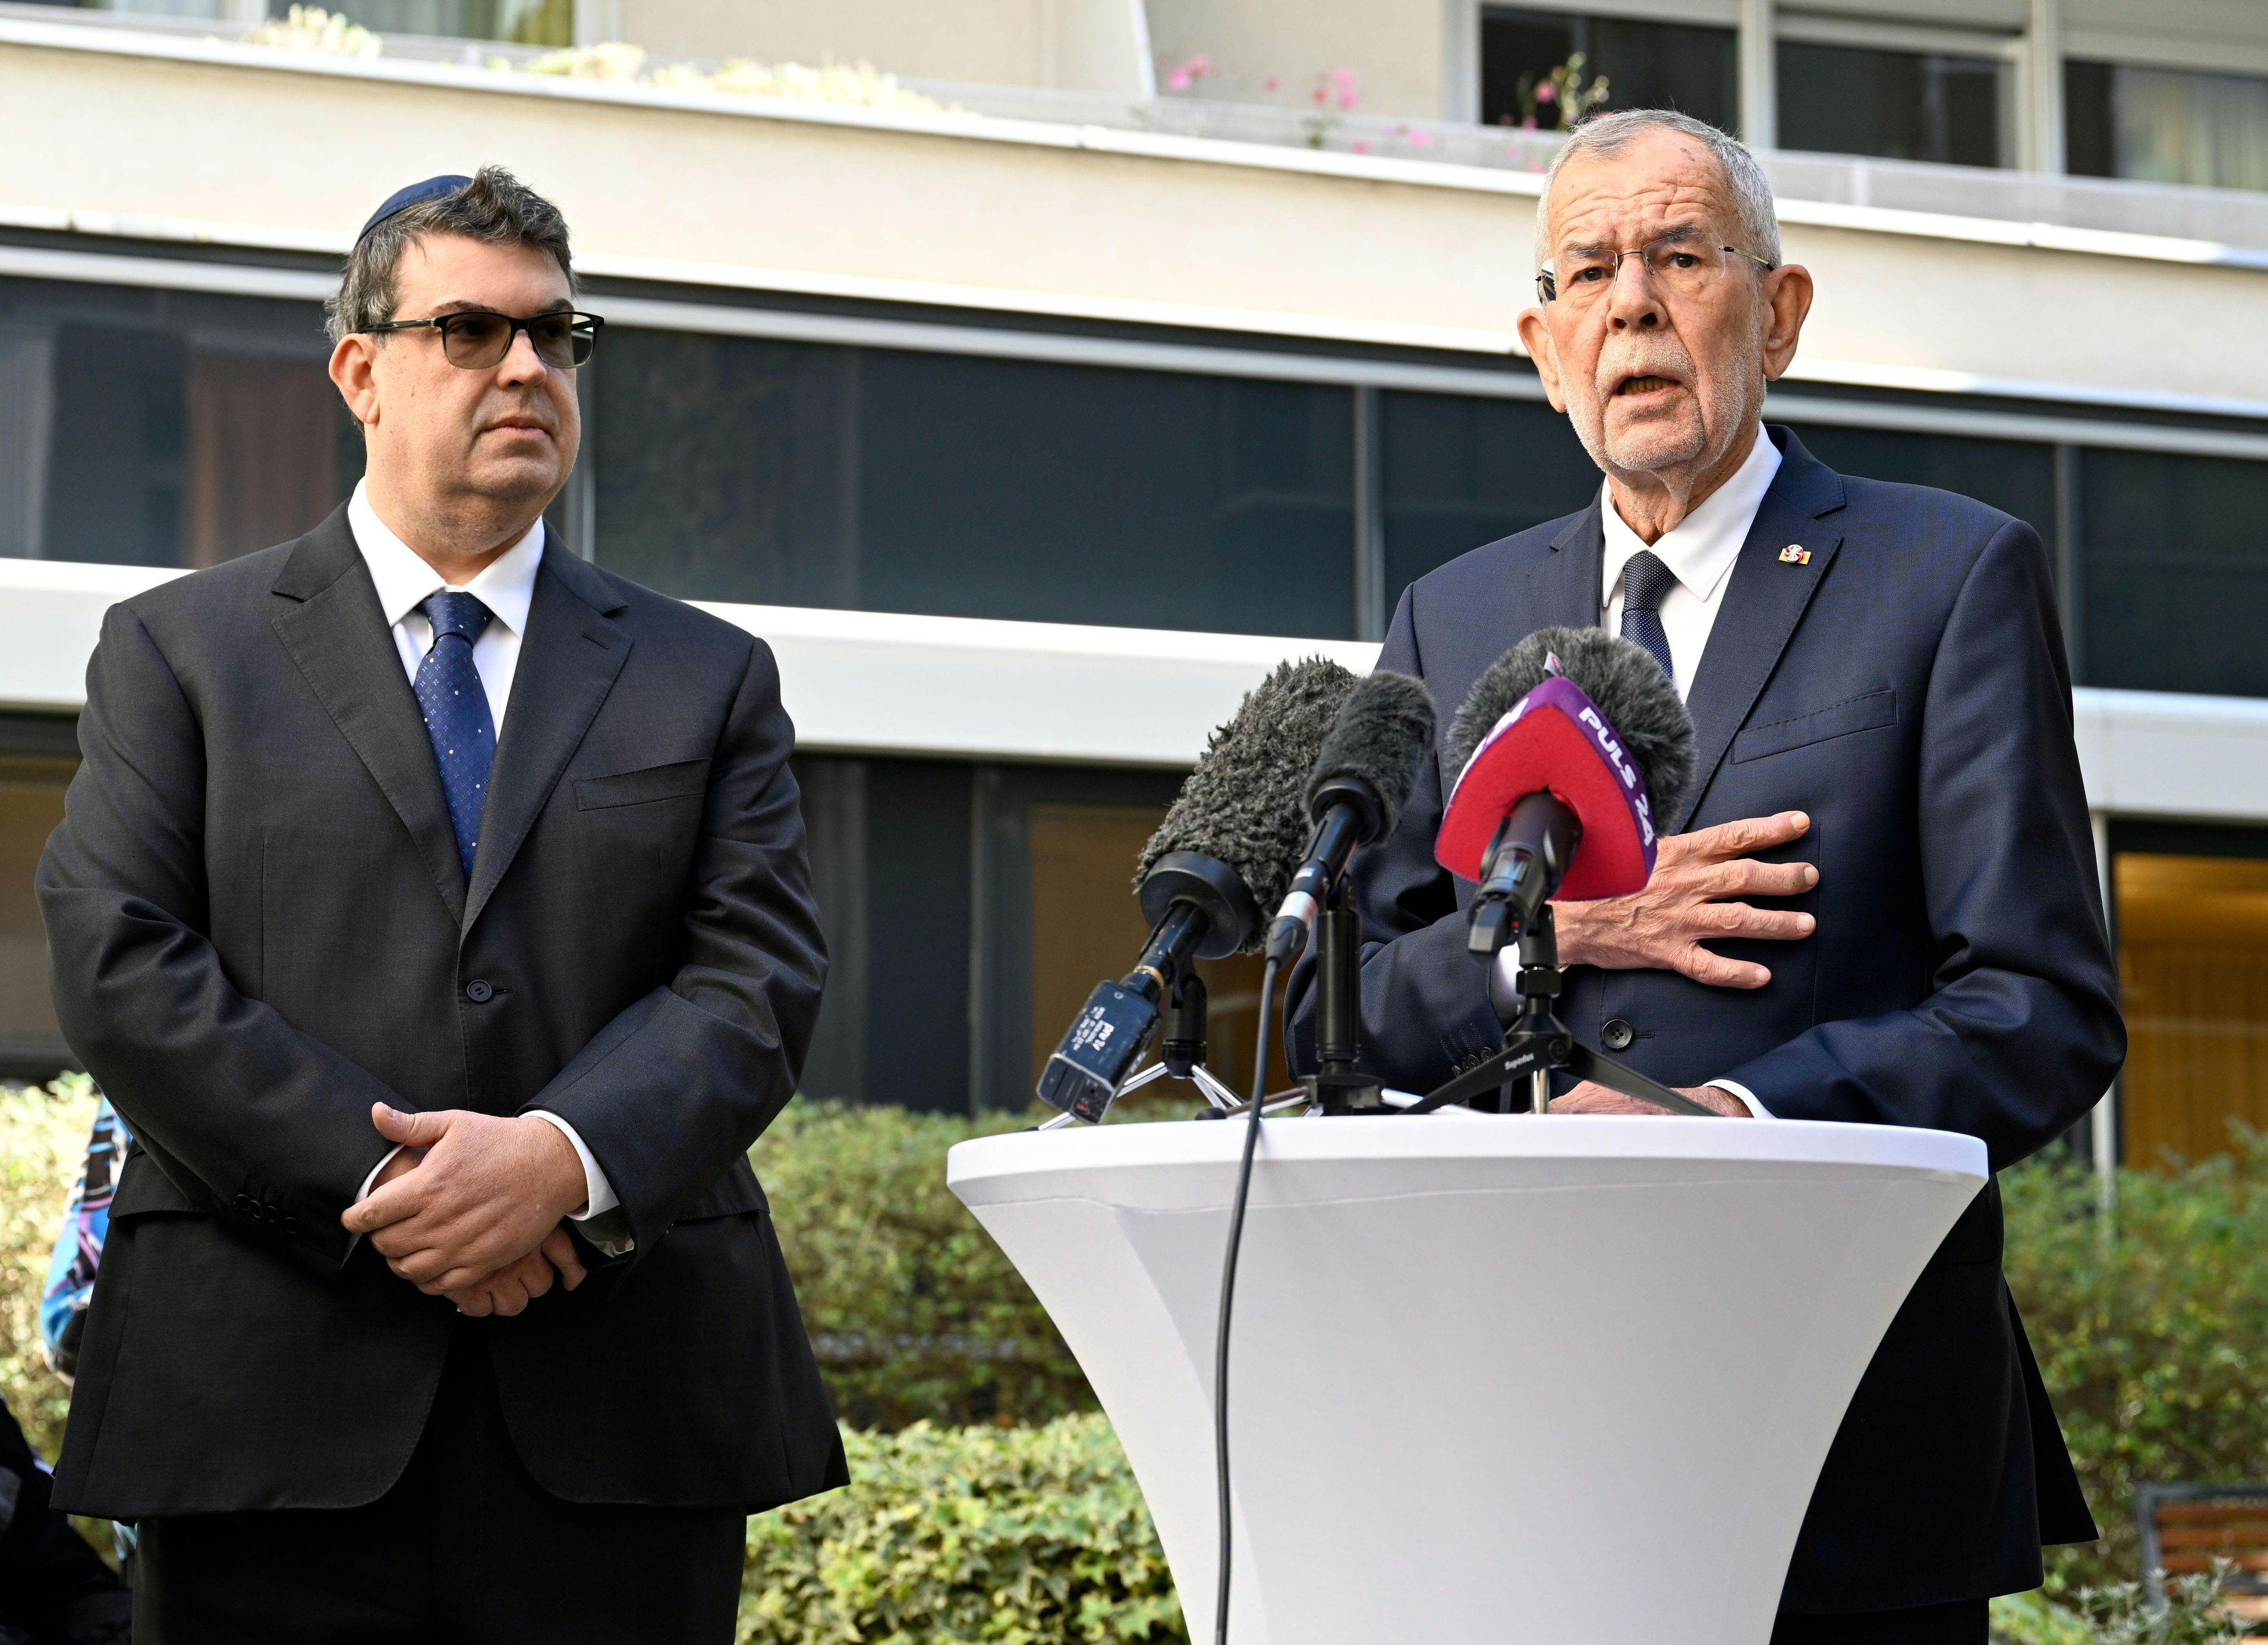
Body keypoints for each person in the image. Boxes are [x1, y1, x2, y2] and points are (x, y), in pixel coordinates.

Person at [1287, 110, 2125, 1642]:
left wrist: (1733, 1123)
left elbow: (2041, 1008)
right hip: (1505, 1424)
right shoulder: (1454, 616)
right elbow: (1357, 1011)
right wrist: (1576, 929)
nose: (1633, 305)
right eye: (1591, 271)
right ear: (1543, 344)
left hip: (1841, 1435)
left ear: (1781, 313)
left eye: (1681, 256)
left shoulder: (1944, 578)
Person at [37, 166, 843, 1644]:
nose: (526, 366)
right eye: (470, 331)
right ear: (362, 370)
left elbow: (756, 980)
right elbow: (120, 961)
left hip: (620, 1419)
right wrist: (413, 1194)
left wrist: (559, 1162)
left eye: (555, 336)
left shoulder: (706, 675)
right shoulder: (178, 653)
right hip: (263, 1416)